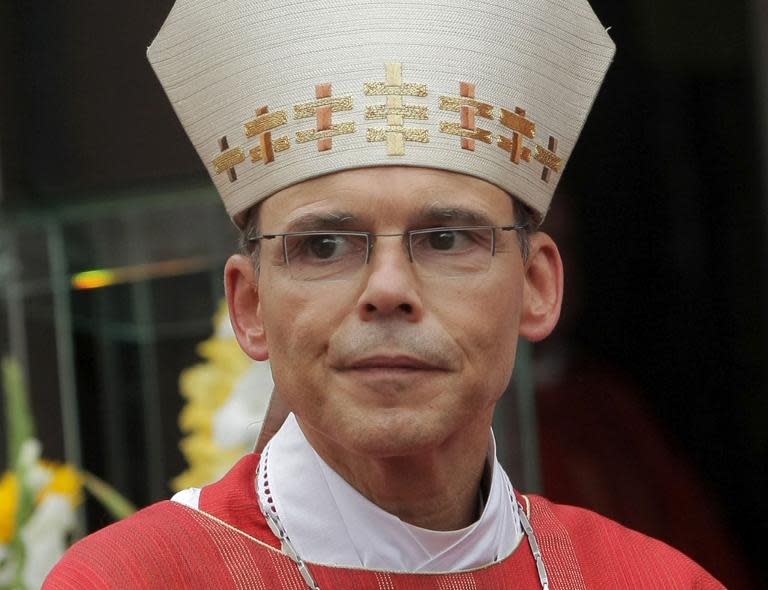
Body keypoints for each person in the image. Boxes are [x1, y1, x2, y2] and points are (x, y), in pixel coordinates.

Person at [45, 0, 725, 588]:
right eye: (325, 246)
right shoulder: (125, 581)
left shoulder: (656, 581)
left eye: (448, 238)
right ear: (249, 306)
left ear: (538, 287)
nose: (390, 290)